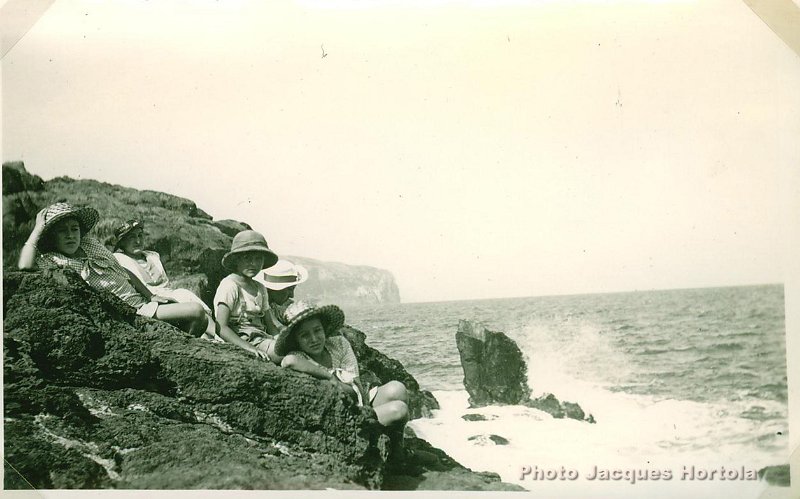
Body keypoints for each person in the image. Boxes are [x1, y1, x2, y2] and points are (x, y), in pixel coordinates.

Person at [18, 202, 208, 336]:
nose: (70, 235)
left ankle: (179, 342)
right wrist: (37, 230)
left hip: (142, 302)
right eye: (62, 231)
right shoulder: (52, 259)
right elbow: (24, 266)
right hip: (128, 312)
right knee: (196, 312)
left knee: (199, 318)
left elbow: (123, 271)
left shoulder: (89, 244)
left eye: (74, 229)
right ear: (51, 237)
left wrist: (149, 294)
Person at [275, 300, 409, 427]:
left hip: (359, 401)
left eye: (317, 330)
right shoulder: (299, 356)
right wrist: (328, 376)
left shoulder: (339, 344)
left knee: (398, 388)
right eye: (305, 335)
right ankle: (390, 445)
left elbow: (354, 390)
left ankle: (396, 442)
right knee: (399, 410)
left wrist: (335, 382)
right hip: (340, 414)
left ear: (324, 329)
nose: (314, 339)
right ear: (296, 340)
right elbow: (288, 361)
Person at [112, 219, 219, 341]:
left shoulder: (153, 256)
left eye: (140, 235)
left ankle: (220, 337)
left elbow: (165, 284)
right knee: (195, 310)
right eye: (131, 237)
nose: (138, 241)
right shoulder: (119, 259)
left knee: (185, 295)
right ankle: (217, 337)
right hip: (148, 303)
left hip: (168, 297)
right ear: (122, 242)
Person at [213, 230, 281, 360]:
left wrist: (281, 340)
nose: (253, 264)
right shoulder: (230, 285)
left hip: (260, 338)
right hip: (238, 341)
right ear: (236, 260)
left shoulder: (260, 288)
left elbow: (270, 325)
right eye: (247, 258)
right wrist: (248, 348)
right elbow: (221, 327)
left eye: (258, 259)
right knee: (285, 355)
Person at [254, 259, 308, 337]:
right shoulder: (257, 308)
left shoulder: (276, 307)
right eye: (289, 289)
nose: (291, 295)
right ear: (273, 289)